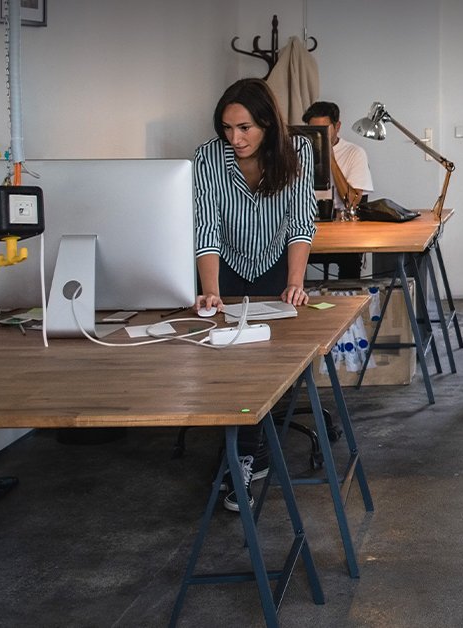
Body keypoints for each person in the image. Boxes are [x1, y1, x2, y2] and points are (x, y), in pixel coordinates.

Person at [193, 78, 318, 511]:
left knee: (264, 365)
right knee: (228, 361)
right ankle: (247, 454)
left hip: (276, 264)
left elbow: (302, 221)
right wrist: (212, 292)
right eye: (227, 128)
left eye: (244, 128)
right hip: (224, 262)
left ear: (267, 122)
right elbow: (205, 227)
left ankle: (246, 454)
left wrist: (296, 281)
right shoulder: (209, 158)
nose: (235, 138)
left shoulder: (297, 153)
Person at [303, 101, 374, 278]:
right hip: (308, 225)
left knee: (350, 262)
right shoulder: (300, 151)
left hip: (341, 228)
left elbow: (351, 201)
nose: (319, 135)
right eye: (314, 131)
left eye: (324, 130)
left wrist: (330, 158)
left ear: (337, 127)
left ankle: (350, 300)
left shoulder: (354, 153)